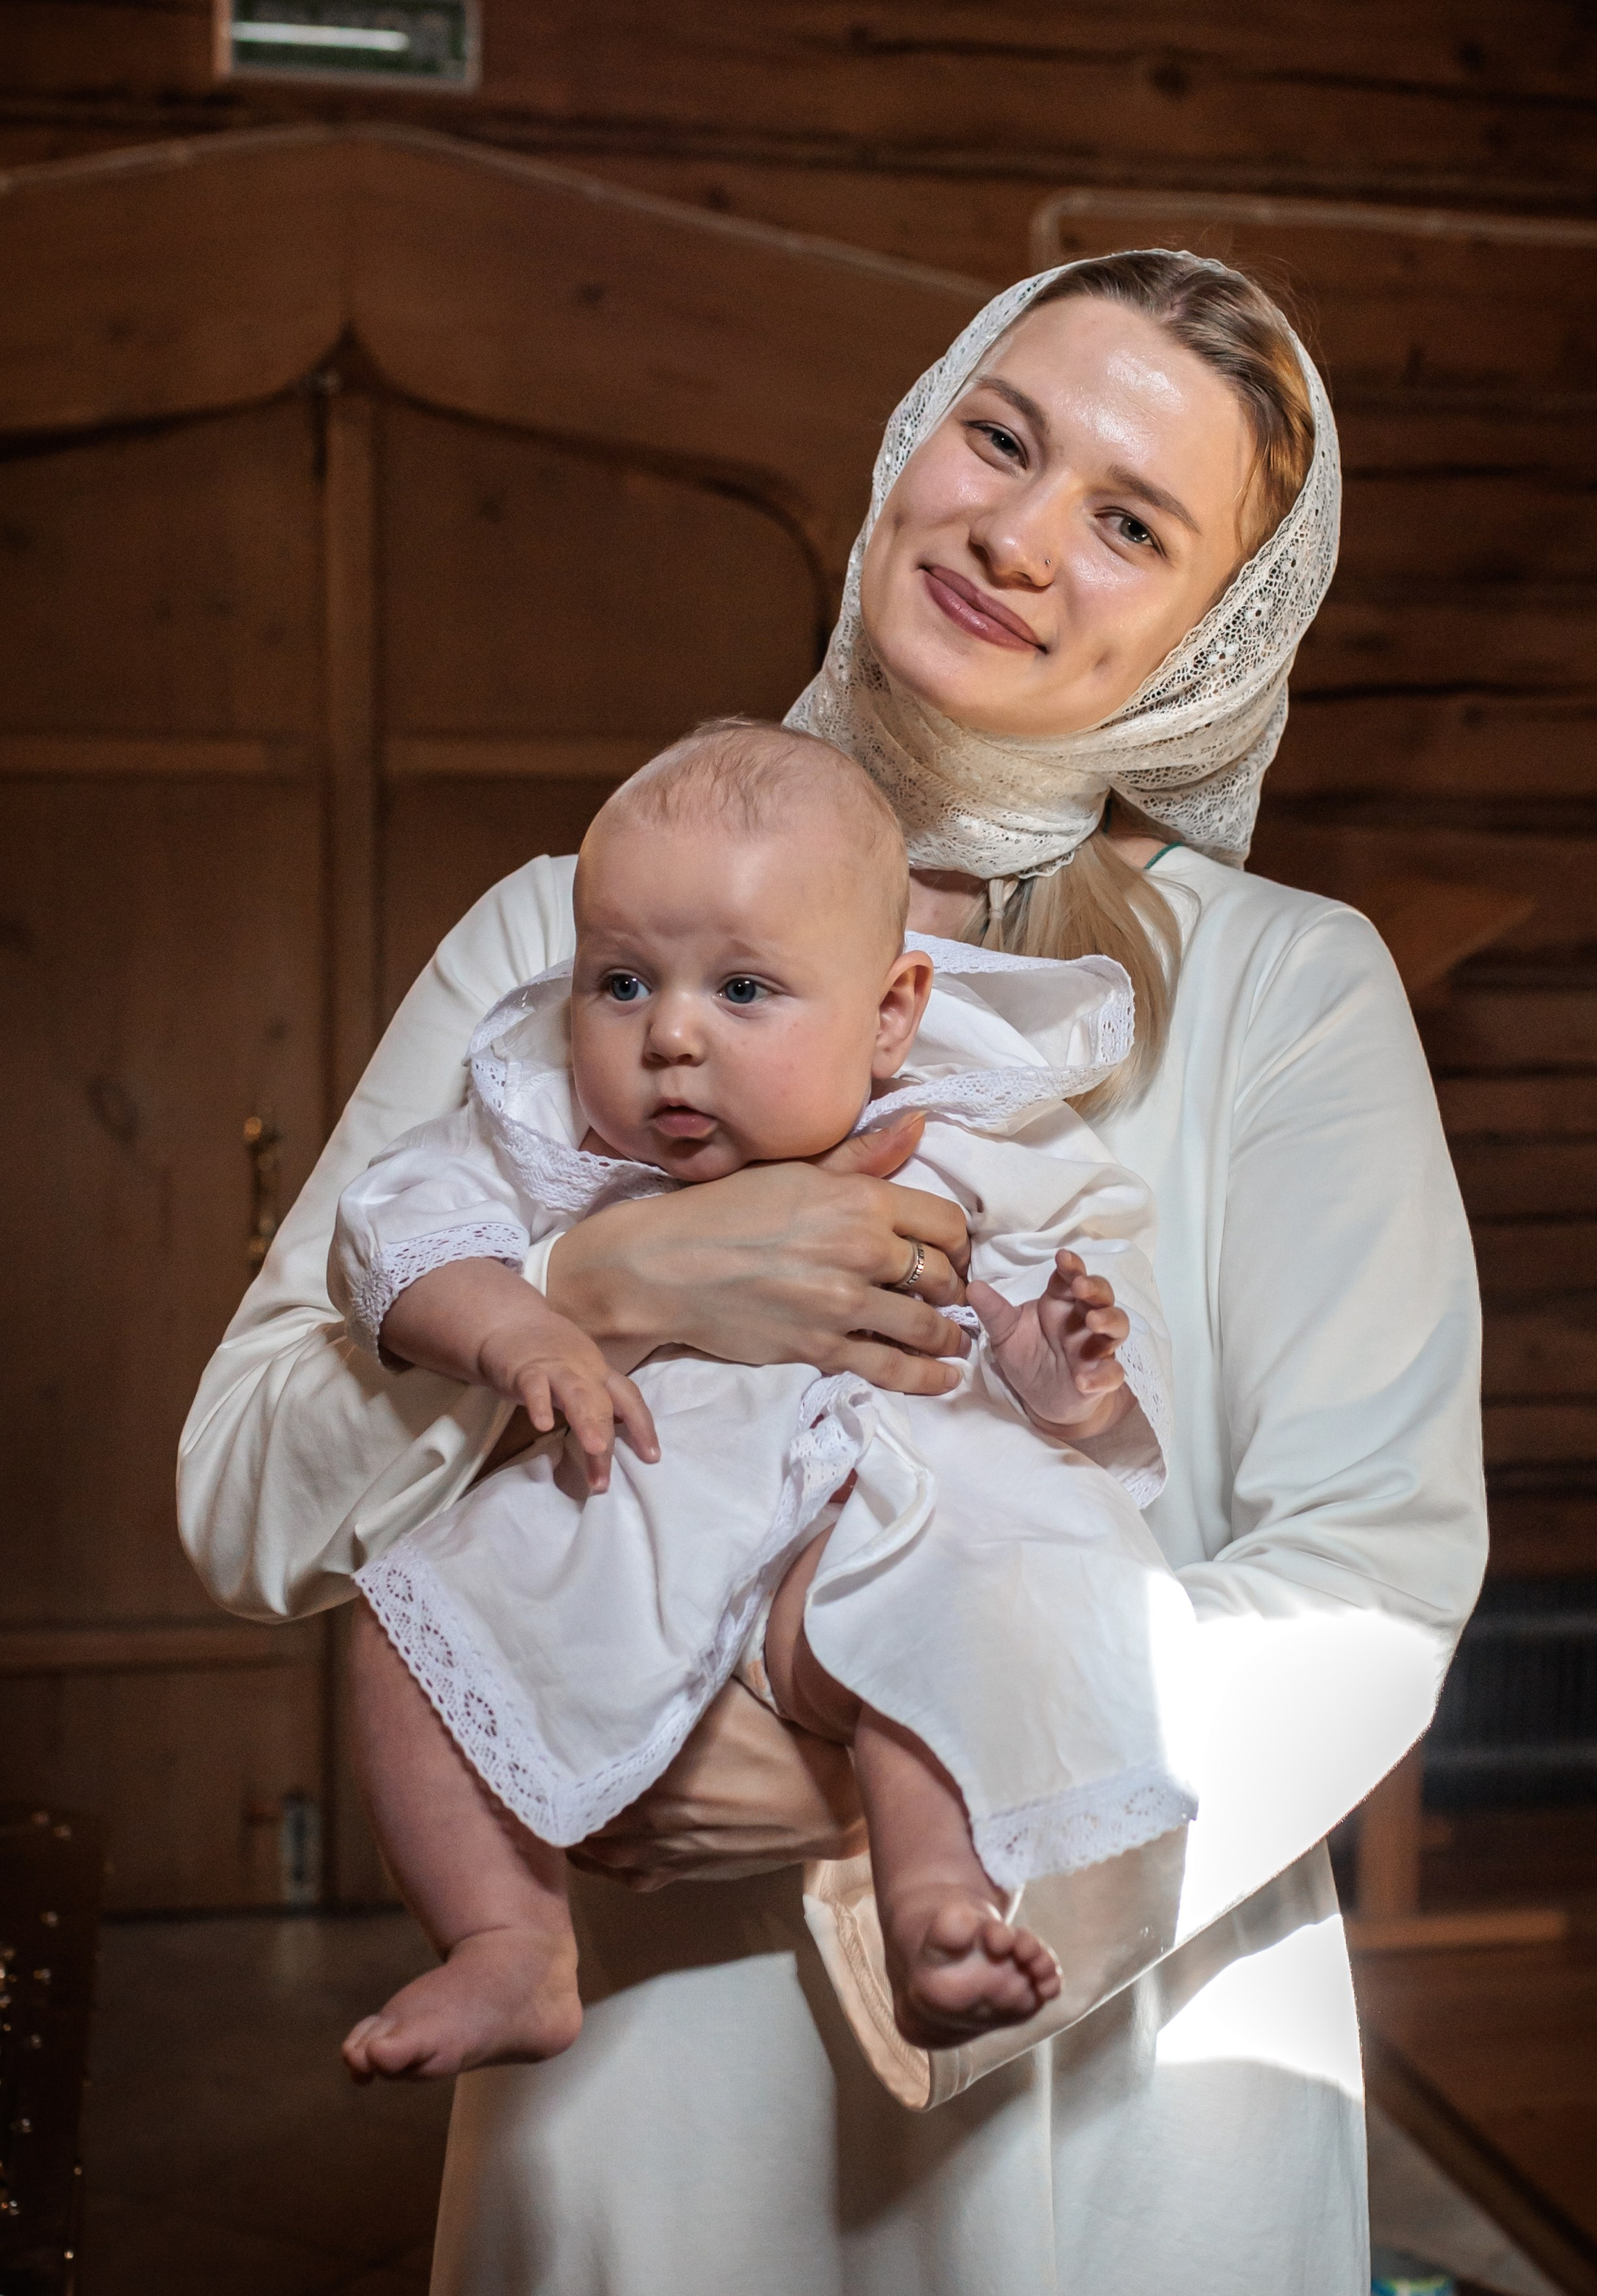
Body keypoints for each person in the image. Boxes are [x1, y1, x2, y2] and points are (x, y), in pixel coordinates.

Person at [180, 250, 1487, 2295]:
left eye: (1129, 525)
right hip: (651, 2063)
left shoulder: (1285, 993)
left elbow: (1368, 1589)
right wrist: (616, 1276)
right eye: (1000, 437)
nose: (1019, 536)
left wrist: (848, 1784)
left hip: (1111, 2097)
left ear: (1218, 633)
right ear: (905, 449)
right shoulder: (567, 939)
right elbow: (245, 1497)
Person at [331, 718, 1195, 2079]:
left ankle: (934, 1908)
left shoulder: (962, 1137)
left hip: (866, 1532)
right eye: (622, 983)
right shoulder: (548, 1138)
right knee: (402, 1636)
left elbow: (1031, 1318)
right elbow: (395, 1237)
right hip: (628, 1517)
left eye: (742, 991)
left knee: (932, 1634)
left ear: (890, 1014)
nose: (670, 1036)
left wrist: (1052, 1367)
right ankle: (506, 1942)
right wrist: (520, 1324)